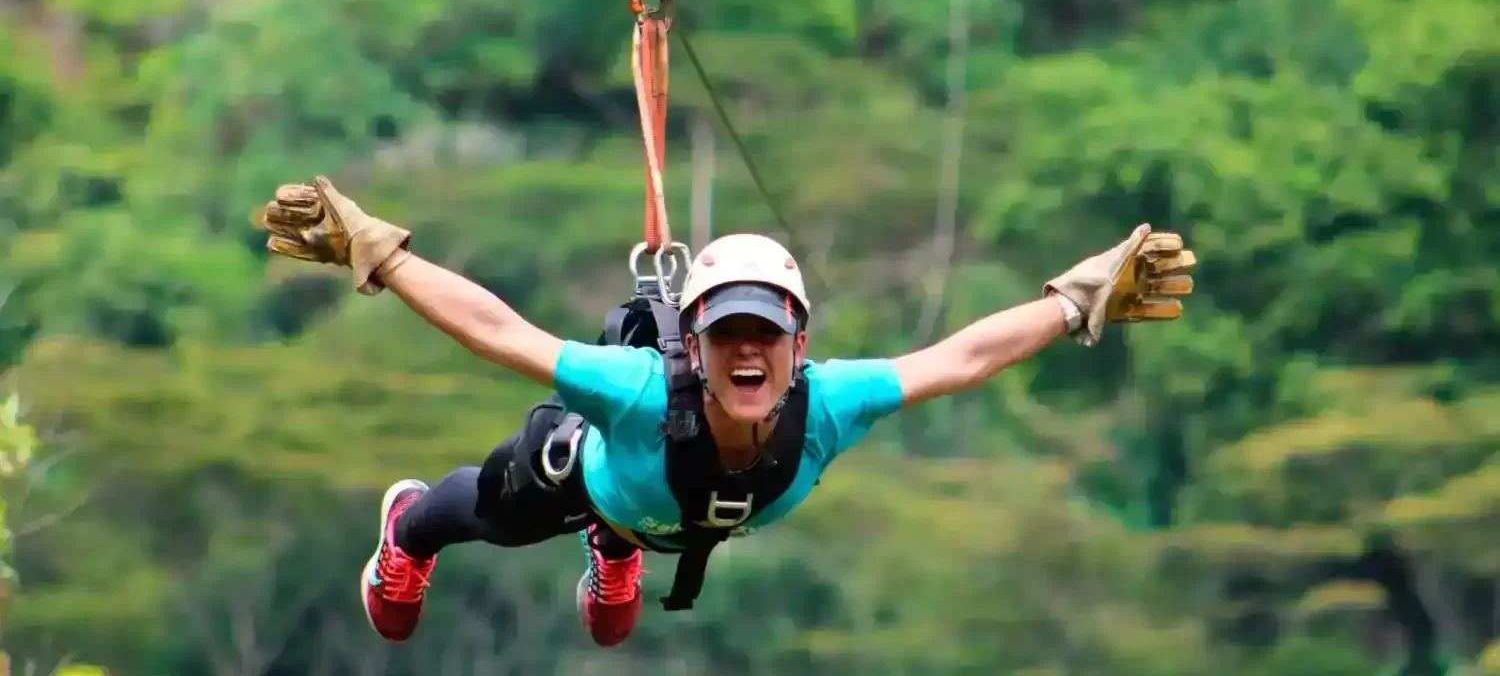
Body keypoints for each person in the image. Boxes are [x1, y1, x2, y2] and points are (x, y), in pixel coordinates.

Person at [253, 176, 1196, 648]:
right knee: (504, 505)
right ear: (693, 346)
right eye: (727, 335)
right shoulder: (633, 392)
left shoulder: (832, 404)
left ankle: (618, 549)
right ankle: (408, 532)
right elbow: (501, 331)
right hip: (603, 474)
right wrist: (380, 251)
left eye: (767, 334)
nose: (748, 352)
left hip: (664, 513)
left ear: (799, 344)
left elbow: (963, 356)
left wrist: (1076, 300)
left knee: (642, 533)